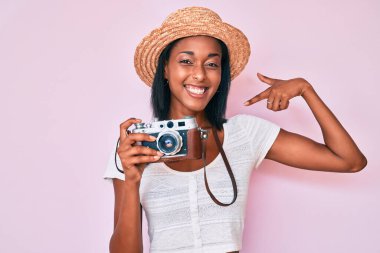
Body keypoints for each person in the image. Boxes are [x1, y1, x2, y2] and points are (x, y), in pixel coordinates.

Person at [104, 6, 367, 253]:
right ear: (165, 68)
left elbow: (349, 161)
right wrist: (131, 181)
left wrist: (305, 89)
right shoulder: (135, 145)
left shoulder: (245, 133)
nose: (199, 74)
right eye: (186, 61)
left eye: (212, 64)